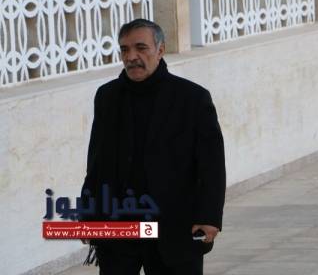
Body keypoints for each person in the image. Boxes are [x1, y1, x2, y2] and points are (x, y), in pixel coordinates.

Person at [81, 19, 226, 274]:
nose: (131, 57)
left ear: (160, 50)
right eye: (125, 49)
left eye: (141, 48)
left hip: (174, 226)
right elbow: (96, 162)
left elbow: (211, 165)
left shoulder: (192, 98)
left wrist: (209, 216)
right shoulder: (107, 97)